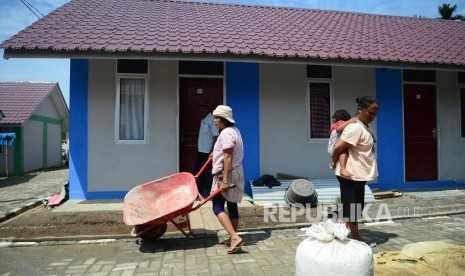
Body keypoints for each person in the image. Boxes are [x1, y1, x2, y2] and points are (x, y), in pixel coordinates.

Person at [330, 96, 379, 241]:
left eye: (375, 114)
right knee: (352, 208)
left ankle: (341, 230)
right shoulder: (355, 127)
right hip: (350, 175)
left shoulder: (364, 126)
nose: (372, 116)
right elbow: (338, 148)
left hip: (359, 174)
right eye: (370, 112)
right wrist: (334, 163)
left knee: (357, 206)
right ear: (360, 110)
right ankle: (356, 237)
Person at [210, 105, 245, 254]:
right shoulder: (234, 131)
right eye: (215, 117)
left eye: (218, 118)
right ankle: (233, 238)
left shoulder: (225, 133)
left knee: (217, 206)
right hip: (236, 172)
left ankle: (234, 237)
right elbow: (227, 151)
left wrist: (224, 180)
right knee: (232, 206)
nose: (215, 121)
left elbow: (228, 156)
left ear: (224, 119)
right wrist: (215, 153)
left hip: (226, 174)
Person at [194, 104, 219, 198]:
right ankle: (198, 192)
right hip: (201, 151)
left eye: (202, 109)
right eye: (200, 110)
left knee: (206, 173)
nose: (201, 112)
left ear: (208, 109)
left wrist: (213, 150)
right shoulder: (203, 119)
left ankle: (207, 192)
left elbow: (216, 135)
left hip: (207, 152)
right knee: (198, 172)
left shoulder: (211, 119)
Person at [328, 110, 357, 178]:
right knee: (344, 151)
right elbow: (338, 129)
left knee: (340, 153)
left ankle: (333, 163)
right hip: (336, 146)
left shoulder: (333, 125)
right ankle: (343, 169)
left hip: (331, 148)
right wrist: (349, 122)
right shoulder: (341, 123)